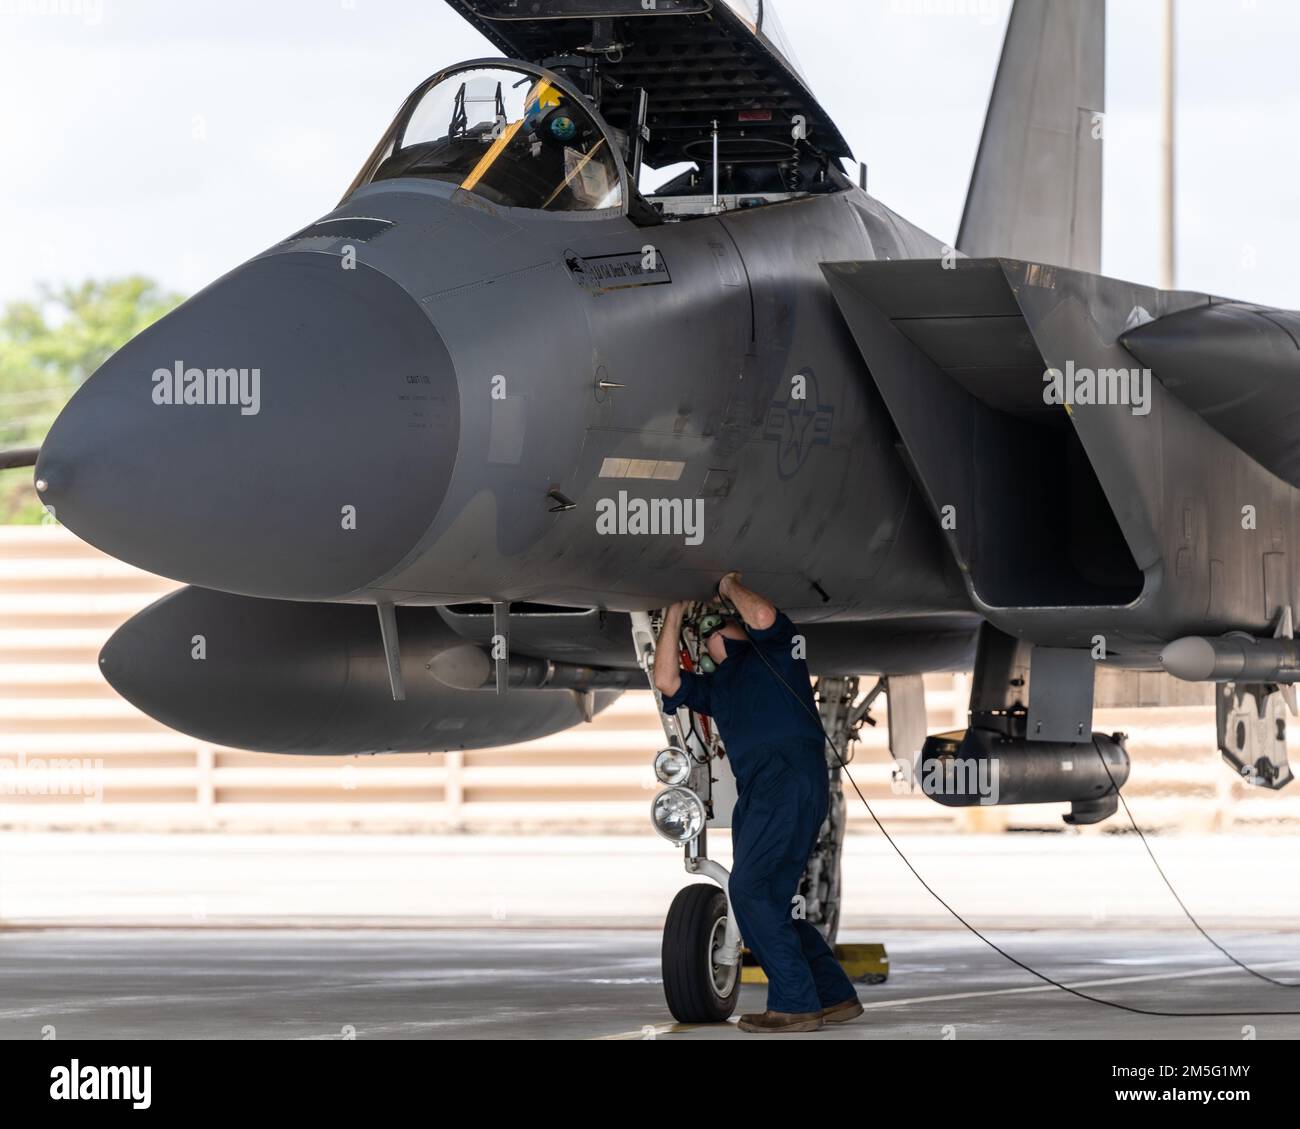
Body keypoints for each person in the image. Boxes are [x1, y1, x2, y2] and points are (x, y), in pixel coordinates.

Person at [653, 571, 864, 1034]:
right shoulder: (719, 689)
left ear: (740, 629)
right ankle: (834, 995)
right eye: (704, 632)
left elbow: (765, 614)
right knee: (770, 897)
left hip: (787, 783)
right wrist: (673, 612)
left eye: (717, 626)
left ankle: (794, 1004)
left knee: (749, 891)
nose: (709, 635)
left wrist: (727, 586)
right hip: (762, 792)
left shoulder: (776, 653)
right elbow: (667, 680)